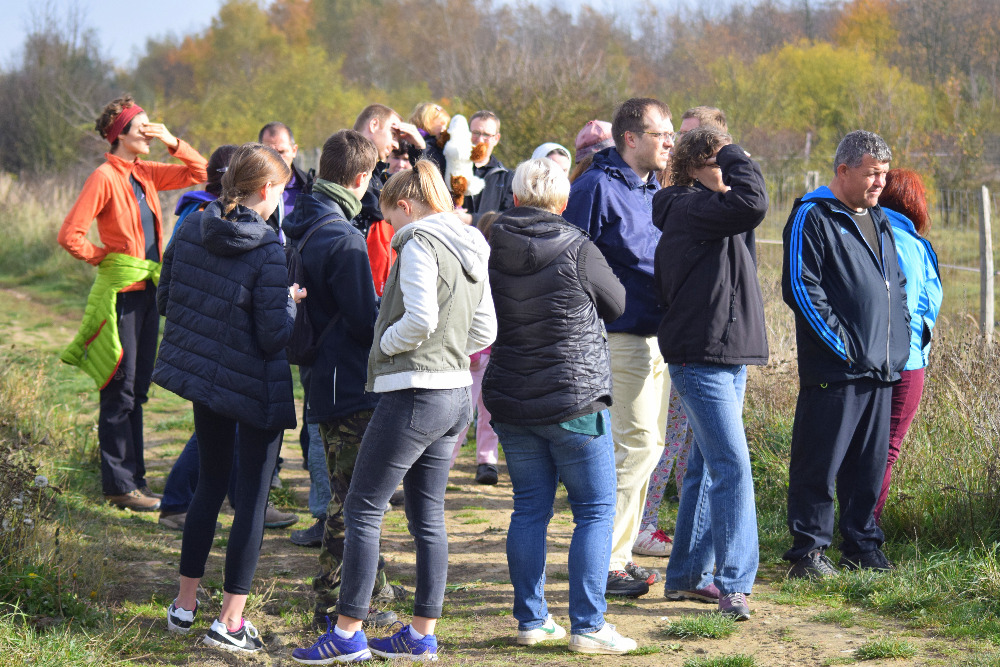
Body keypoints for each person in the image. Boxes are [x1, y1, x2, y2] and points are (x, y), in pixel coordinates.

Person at [292, 161, 496, 663]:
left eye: (389, 219)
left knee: (362, 508)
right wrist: (449, 351)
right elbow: (486, 329)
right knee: (428, 518)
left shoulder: (419, 241)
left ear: (405, 206)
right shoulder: (472, 243)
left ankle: (346, 634)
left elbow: (420, 318)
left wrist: (384, 344)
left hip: (415, 393)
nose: (389, 229)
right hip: (455, 394)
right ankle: (421, 635)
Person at [483, 157, 636, 653]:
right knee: (594, 509)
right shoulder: (578, 247)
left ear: (515, 197)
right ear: (563, 201)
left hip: (512, 396)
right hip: (574, 398)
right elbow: (617, 304)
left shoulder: (489, 245)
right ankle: (588, 626)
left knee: (529, 508)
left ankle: (532, 620)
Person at [154, 143, 302, 653]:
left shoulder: (191, 227)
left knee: (209, 486)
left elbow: (167, 299)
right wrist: (289, 302)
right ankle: (230, 622)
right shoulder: (268, 249)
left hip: (207, 380)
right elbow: (272, 335)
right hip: (255, 386)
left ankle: (183, 606)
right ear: (266, 189)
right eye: (281, 190)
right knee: (253, 500)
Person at [58, 95, 207, 512]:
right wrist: (105, 259)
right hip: (122, 295)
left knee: (138, 389)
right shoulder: (104, 177)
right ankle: (119, 485)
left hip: (149, 294)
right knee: (119, 388)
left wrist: (172, 141)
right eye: (142, 127)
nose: (150, 132)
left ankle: (134, 481)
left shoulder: (145, 172)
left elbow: (202, 173)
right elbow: (70, 235)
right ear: (120, 134)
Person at [281, 129, 404, 627]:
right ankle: (333, 602)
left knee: (352, 489)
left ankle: (373, 585)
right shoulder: (343, 237)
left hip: (322, 376)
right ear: (360, 178)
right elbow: (361, 321)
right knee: (353, 499)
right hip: (349, 382)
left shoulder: (303, 220)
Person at [781, 130, 910, 578]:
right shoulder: (812, 216)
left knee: (867, 467)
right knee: (819, 463)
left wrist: (899, 342)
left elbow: (897, 286)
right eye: (872, 173)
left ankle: (861, 545)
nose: (880, 183)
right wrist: (846, 349)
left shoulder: (880, 219)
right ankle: (808, 553)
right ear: (843, 170)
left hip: (881, 368)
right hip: (835, 370)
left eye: (884, 174)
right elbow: (801, 289)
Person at [653, 126, 769, 620]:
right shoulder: (688, 207)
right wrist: (734, 153)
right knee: (732, 467)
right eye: (720, 162)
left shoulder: (712, 212)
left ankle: (685, 576)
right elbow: (754, 202)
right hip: (699, 358)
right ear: (696, 168)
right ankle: (734, 583)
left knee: (706, 466)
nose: (730, 171)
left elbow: (746, 213)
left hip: (726, 353)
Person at [563, 97, 674, 597]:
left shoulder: (656, 189)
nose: (669, 142)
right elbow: (570, 263)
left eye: (671, 134)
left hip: (658, 337)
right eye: (660, 134)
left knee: (648, 447)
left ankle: (619, 555)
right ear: (630, 138)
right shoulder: (594, 187)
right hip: (618, 335)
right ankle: (604, 563)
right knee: (636, 445)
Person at [636, 106, 729, 559]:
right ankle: (644, 523)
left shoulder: (723, 199)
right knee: (666, 437)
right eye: (678, 136)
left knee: (696, 447)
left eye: (694, 138)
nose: (677, 145)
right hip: (671, 329)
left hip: (707, 335)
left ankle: (692, 538)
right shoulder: (669, 193)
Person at [874, 168, 942, 523]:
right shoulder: (907, 244)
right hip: (905, 360)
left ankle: (853, 526)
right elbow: (908, 306)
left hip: (866, 356)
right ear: (914, 203)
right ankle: (866, 529)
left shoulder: (867, 231)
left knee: (864, 444)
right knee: (885, 449)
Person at [448, 211, 503, 486]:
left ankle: (486, 461)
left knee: (485, 411)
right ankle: (448, 462)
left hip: (492, 352)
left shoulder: (499, 270)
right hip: (477, 352)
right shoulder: (478, 269)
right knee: (468, 412)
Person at [354, 104, 427, 295]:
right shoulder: (349, 163)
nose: (395, 144)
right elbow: (382, 208)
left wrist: (419, 149)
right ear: (374, 125)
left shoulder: (377, 174)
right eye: (393, 134)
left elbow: (421, 195)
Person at [459, 110, 515, 224]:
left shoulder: (507, 178)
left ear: (496, 139)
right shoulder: (450, 168)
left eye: (486, 135)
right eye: (475, 133)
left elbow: (508, 219)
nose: (480, 140)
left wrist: (471, 220)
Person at [408, 101, 449, 174]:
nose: (444, 129)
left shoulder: (436, 142)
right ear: (428, 122)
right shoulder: (425, 143)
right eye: (442, 124)